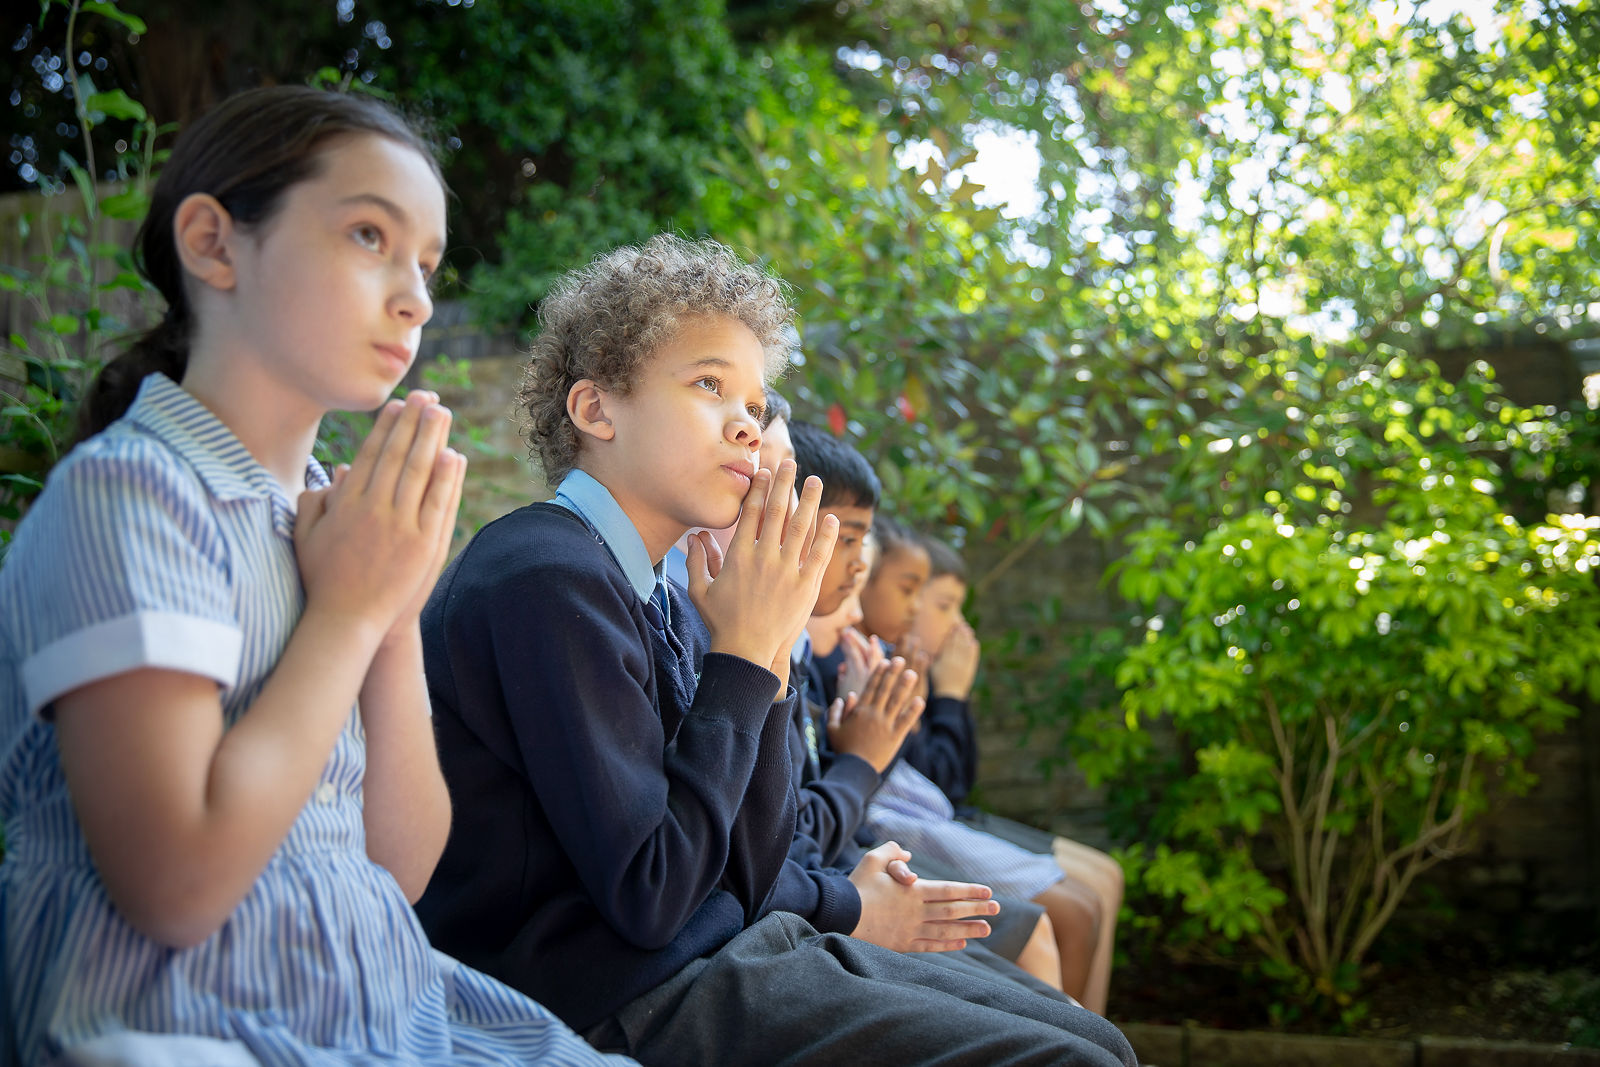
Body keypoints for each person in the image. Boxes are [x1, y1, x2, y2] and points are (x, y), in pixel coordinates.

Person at [0, 86, 627, 1066]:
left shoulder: (342, 524)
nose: (416, 296)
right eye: (369, 235)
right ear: (214, 244)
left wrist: (386, 622)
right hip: (190, 1029)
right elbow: (176, 883)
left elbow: (399, 867)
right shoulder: (129, 496)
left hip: (390, 1008)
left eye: (426, 262)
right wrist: (348, 610)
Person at [415, 234, 1137, 1066]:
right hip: (612, 992)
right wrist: (748, 655)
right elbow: (652, 896)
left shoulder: (657, 588)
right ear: (595, 408)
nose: (746, 425)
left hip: (716, 949)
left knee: (1096, 1040)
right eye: (709, 384)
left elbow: (757, 860)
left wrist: (765, 654)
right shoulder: (546, 575)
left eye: (755, 405)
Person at [853, 523, 1124, 1013]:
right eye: (939, 603)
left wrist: (949, 694)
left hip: (940, 814)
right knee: (1077, 908)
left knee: (1105, 878)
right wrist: (948, 696)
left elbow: (952, 784)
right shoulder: (871, 658)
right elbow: (941, 786)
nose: (957, 624)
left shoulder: (905, 657)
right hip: (914, 822)